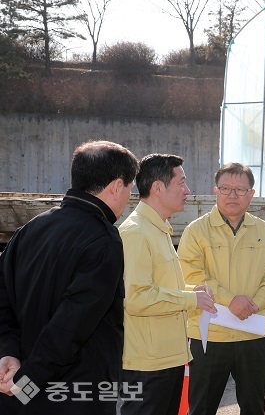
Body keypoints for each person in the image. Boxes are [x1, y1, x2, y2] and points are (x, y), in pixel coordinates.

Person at [0, 140, 138, 414]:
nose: (128, 198)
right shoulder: (103, 240)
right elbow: (71, 327)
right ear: (116, 186)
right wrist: (26, 384)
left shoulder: (30, 229)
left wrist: (8, 353)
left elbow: (3, 300)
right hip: (73, 396)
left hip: (19, 390)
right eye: (130, 189)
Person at [178, 162, 265, 415]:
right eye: (226, 188)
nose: (233, 195)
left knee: (254, 405)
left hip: (252, 334)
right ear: (215, 191)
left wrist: (254, 304)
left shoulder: (263, 230)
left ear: (251, 194)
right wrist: (230, 300)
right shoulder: (197, 231)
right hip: (210, 336)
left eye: (240, 190)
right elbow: (190, 275)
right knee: (202, 407)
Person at [118, 154, 216, 415]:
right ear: (158, 188)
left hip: (168, 358)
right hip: (148, 365)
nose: (188, 190)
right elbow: (137, 297)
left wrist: (190, 292)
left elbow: (159, 287)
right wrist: (190, 300)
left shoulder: (159, 228)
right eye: (181, 183)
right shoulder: (137, 232)